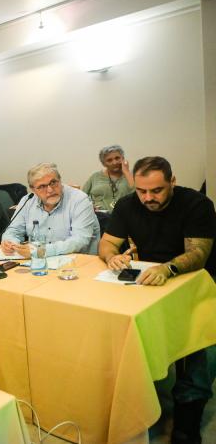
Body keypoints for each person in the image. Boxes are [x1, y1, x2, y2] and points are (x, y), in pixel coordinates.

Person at [98, 156, 215, 443]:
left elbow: (198, 253)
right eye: (141, 191)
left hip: (195, 281)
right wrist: (112, 257)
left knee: (199, 346)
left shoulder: (197, 204)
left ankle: (188, 414)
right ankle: (136, 400)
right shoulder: (128, 204)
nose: (148, 198)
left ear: (172, 181)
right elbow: (108, 242)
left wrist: (167, 268)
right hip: (147, 280)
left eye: (157, 190)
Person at [2, 163, 100, 257]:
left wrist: (42, 251)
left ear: (60, 180)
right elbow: (13, 230)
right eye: (42, 186)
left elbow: (79, 240)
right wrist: (10, 243)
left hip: (78, 261)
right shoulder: (27, 201)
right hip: (40, 261)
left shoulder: (79, 200)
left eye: (53, 182)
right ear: (33, 189)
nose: (50, 190)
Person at [82, 145, 135, 212]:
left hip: (124, 214)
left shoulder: (131, 176)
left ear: (123, 159)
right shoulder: (95, 176)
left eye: (117, 158)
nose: (114, 162)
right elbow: (81, 196)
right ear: (103, 164)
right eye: (109, 160)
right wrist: (90, 205)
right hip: (100, 214)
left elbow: (138, 195)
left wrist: (126, 172)